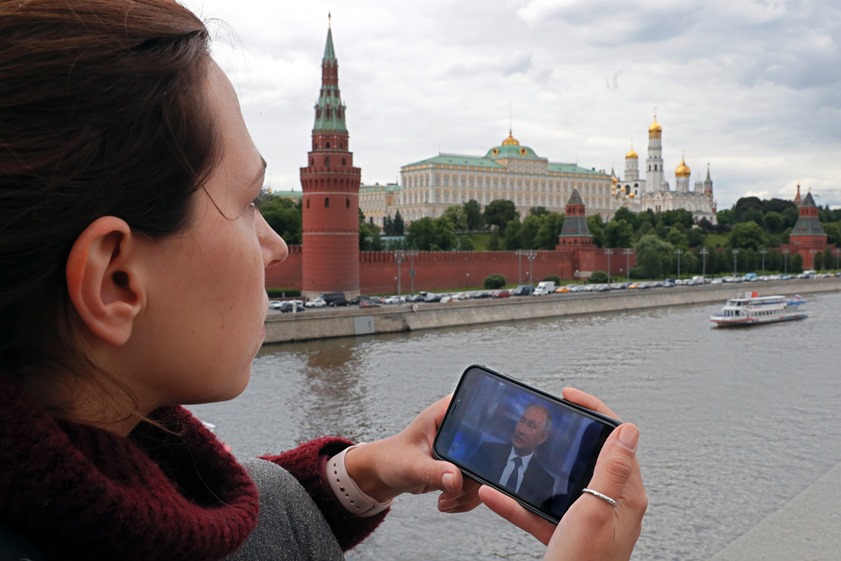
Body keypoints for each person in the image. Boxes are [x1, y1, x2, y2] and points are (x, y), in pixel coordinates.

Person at [0, 1, 647, 560]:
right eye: (250, 200)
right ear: (116, 280)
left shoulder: (122, 476)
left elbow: (216, 528)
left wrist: (366, 469)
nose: (279, 245)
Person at [471, 404, 557, 507]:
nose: (521, 430)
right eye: (522, 420)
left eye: (531, 426)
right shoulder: (487, 451)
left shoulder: (545, 482)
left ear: (542, 438)